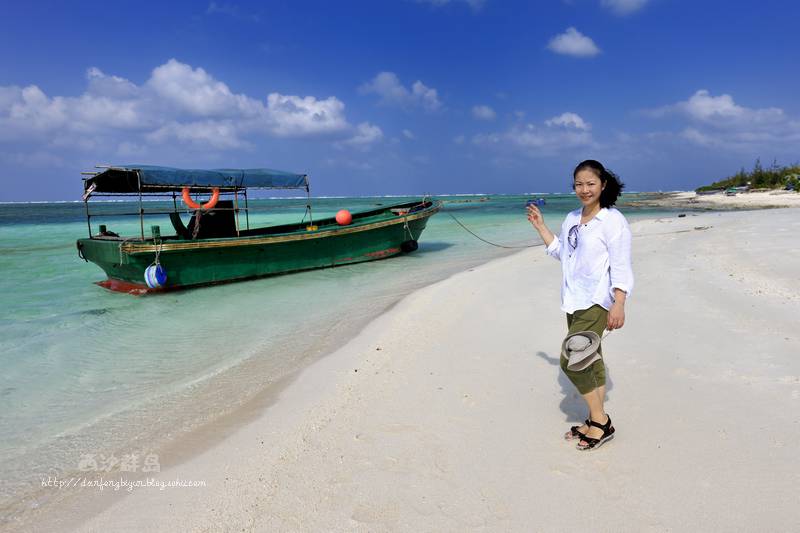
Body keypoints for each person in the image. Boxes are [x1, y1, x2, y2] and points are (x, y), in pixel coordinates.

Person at [527, 159, 633, 451]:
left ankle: (601, 421)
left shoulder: (613, 221)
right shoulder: (573, 218)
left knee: (571, 359)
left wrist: (619, 303)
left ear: (603, 185)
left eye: (590, 183)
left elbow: (622, 267)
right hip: (573, 301)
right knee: (591, 359)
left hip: (598, 301)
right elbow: (563, 253)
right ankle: (594, 419)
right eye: (579, 184)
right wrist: (541, 227)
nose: (584, 189)